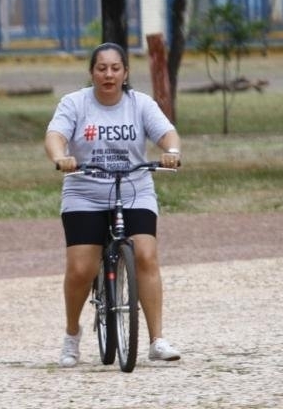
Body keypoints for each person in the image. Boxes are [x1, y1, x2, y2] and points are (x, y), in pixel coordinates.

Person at [44, 42, 182, 368]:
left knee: (146, 255)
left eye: (115, 68)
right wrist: (61, 157)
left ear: (125, 73)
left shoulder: (140, 104)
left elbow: (168, 135)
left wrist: (172, 153)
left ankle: (157, 339)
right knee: (81, 268)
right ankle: (71, 334)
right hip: (85, 192)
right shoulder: (75, 103)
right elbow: (55, 136)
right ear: (92, 72)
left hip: (135, 189)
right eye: (101, 68)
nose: (108, 74)